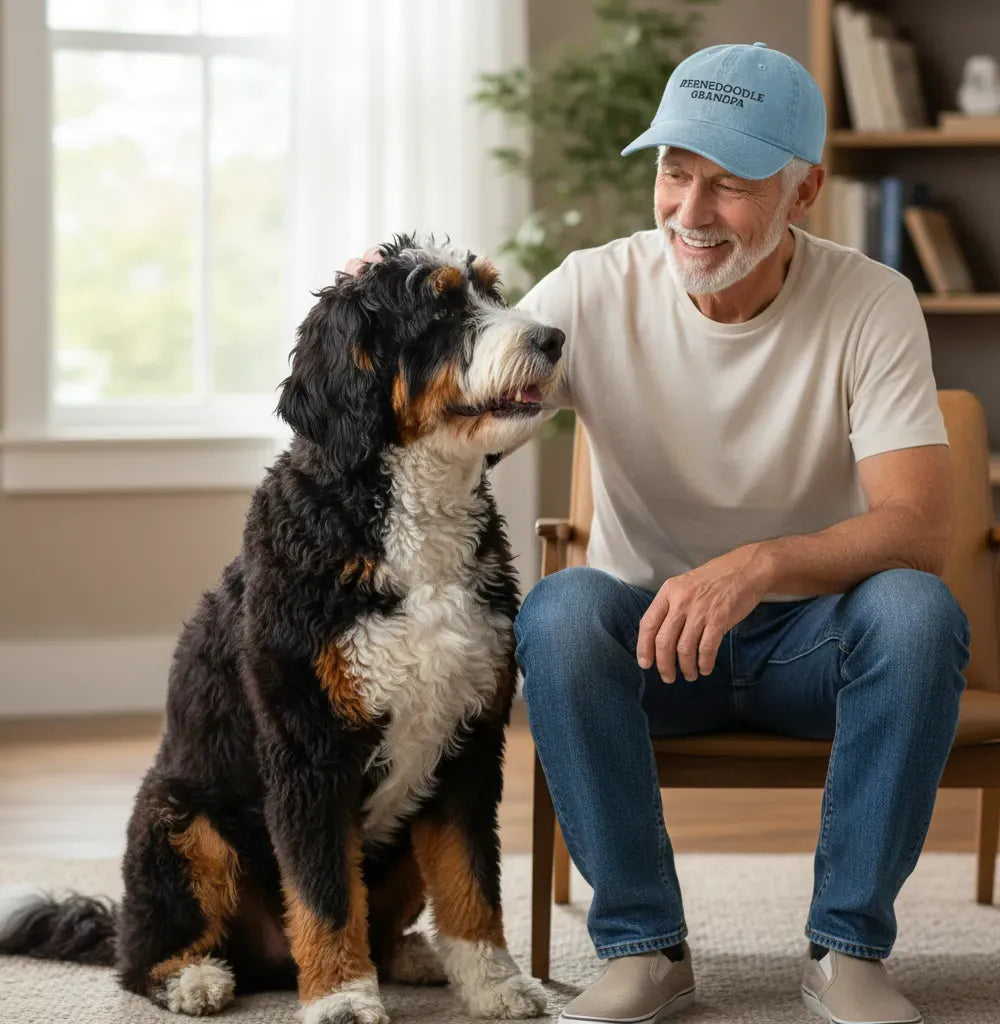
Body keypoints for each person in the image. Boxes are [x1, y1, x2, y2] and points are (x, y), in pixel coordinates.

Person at [345, 41, 969, 1024]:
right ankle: (642, 948)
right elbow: (454, 402)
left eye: (730, 184)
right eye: (675, 173)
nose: (689, 210)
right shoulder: (593, 286)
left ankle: (847, 950)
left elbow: (920, 529)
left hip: (816, 647)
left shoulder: (869, 301)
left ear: (802, 190)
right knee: (560, 608)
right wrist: (376, 309)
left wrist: (757, 565)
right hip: (648, 649)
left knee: (915, 610)